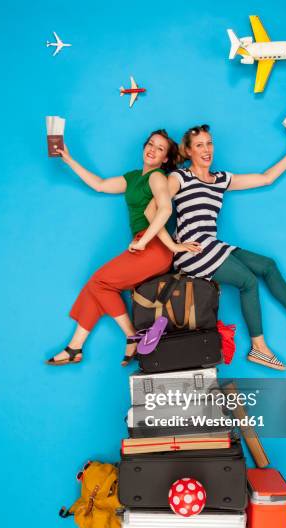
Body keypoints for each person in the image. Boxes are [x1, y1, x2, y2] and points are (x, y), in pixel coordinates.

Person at [139, 124, 286, 371]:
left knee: (268, 265)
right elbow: (151, 209)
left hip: (212, 245)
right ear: (188, 151)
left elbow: (266, 178)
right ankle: (259, 348)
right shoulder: (179, 178)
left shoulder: (221, 180)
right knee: (248, 281)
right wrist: (174, 246)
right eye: (199, 145)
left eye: (209, 143)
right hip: (193, 253)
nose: (206, 149)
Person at [46, 129, 199, 367]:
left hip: (153, 247)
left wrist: (145, 241)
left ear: (165, 159)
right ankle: (74, 348)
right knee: (94, 288)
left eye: (160, 149)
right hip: (145, 245)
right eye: (150, 144)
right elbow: (100, 184)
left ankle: (132, 336)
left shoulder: (158, 177)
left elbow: (165, 210)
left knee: (99, 283)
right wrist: (69, 159)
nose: (153, 150)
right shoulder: (133, 176)